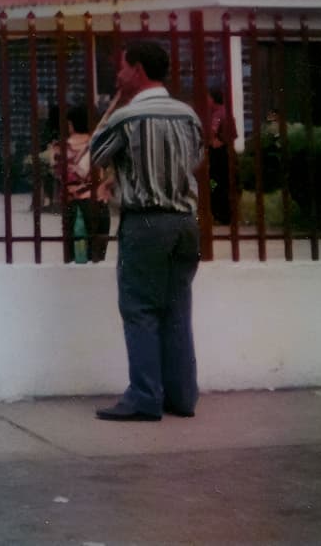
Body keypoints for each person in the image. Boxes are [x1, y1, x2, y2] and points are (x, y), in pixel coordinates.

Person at [88, 40, 203, 422]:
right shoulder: (189, 115)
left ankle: (144, 397)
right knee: (176, 309)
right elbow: (197, 159)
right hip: (185, 222)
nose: (118, 75)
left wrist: (115, 104)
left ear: (137, 71)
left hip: (146, 222)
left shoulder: (126, 117)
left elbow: (92, 157)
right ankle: (182, 397)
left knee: (139, 308)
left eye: (122, 68)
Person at [53, 102, 111, 263]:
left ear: (70, 123)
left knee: (72, 257)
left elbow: (58, 174)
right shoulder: (98, 145)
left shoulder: (60, 147)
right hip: (97, 202)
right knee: (97, 257)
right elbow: (109, 169)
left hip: (72, 204)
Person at [206, 86, 238, 226]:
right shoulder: (227, 112)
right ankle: (225, 215)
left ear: (213, 99)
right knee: (223, 184)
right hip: (227, 154)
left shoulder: (217, 115)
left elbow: (211, 134)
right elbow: (233, 135)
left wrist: (213, 141)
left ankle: (219, 215)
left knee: (213, 183)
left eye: (208, 98)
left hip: (218, 156)